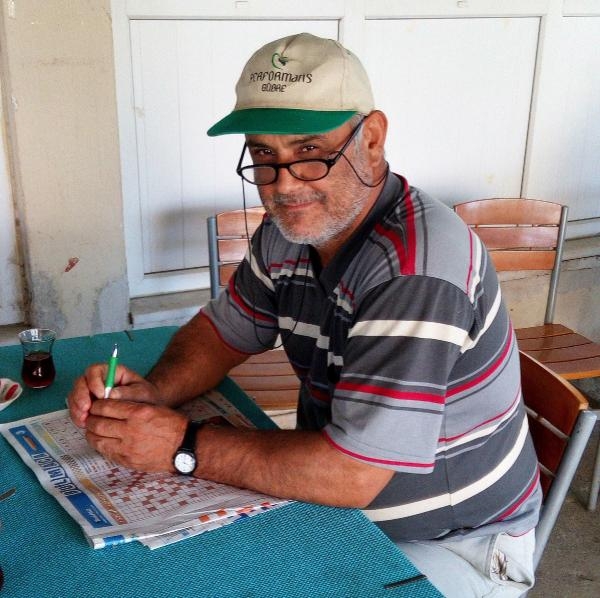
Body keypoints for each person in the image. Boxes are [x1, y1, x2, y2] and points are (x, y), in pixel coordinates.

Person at [68, 33, 541, 596]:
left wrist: (180, 447)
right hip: (339, 513)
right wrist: (154, 394)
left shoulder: (415, 271)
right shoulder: (290, 232)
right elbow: (222, 332)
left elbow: (353, 473)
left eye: (310, 151)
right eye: (264, 155)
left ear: (371, 139)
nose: (284, 184)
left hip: (453, 544)